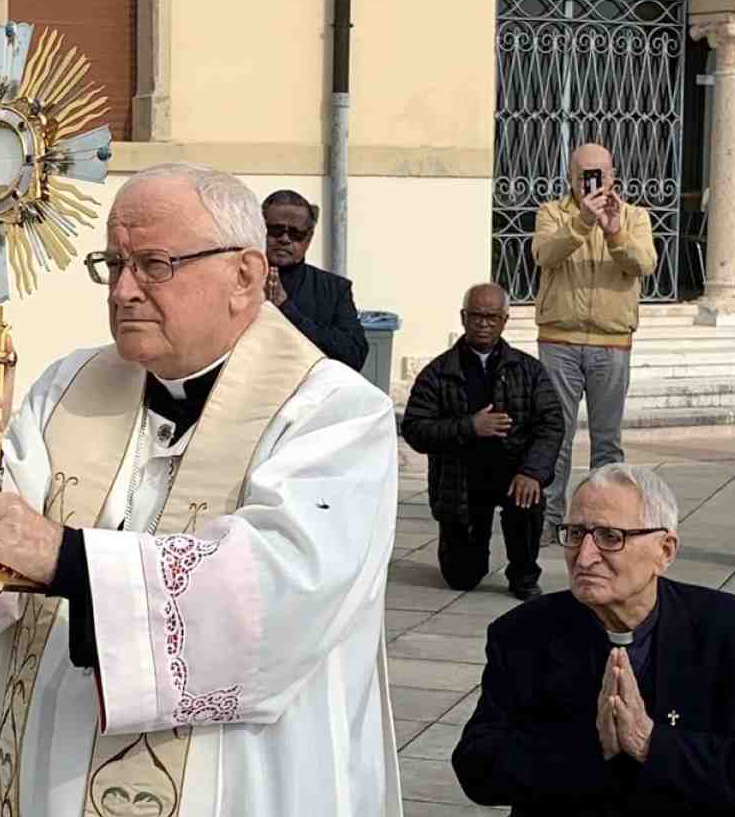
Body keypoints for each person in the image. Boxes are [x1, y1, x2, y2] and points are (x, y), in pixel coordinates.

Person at [0, 163, 402, 817]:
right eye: (114, 264)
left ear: (245, 276)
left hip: (233, 789)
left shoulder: (334, 413)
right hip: (52, 774)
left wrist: (65, 558)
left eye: (154, 264)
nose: (123, 290)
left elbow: (281, 589)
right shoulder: (68, 386)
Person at [451, 464, 735, 817]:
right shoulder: (524, 634)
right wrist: (592, 748)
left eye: (610, 537)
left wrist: (651, 744)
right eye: (575, 534)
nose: (584, 556)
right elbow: (477, 766)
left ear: (665, 551)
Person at [401, 282, 565, 599]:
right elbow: (415, 428)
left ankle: (523, 572)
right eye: (476, 316)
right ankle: (465, 555)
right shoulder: (439, 372)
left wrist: (532, 471)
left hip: (514, 471)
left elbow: (551, 423)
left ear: (504, 320)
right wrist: (469, 427)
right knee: (462, 578)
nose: (483, 324)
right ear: (464, 318)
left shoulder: (528, 370)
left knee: (528, 498)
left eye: (492, 317)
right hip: (461, 478)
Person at [533, 143, 657, 538]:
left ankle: (603, 521)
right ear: (571, 177)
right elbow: (544, 255)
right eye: (584, 174)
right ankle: (549, 519)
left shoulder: (634, 216)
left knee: (607, 442)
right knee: (556, 435)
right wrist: (582, 222)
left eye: (599, 174)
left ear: (612, 176)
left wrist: (614, 230)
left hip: (612, 341)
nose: (592, 182)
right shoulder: (552, 213)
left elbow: (644, 263)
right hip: (559, 340)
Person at [261, 189, 369, 370]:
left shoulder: (334, 289)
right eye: (275, 230)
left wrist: (287, 309)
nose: (284, 239)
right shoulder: (236, 280)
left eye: (296, 233)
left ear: (309, 238)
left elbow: (354, 355)